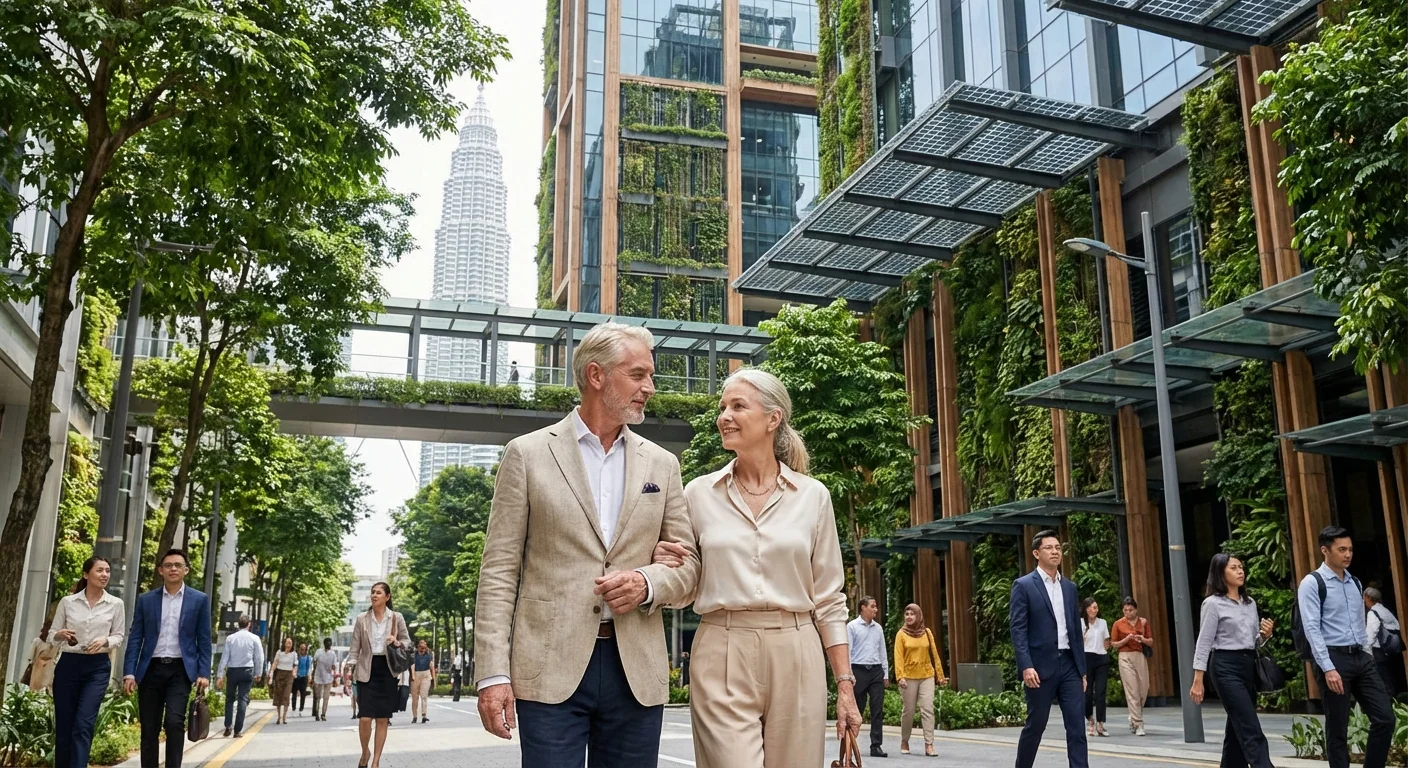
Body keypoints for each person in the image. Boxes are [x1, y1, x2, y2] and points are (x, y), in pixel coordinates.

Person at [473, 322, 701, 767]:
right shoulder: (527, 454)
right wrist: (493, 673)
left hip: (636, 670)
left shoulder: (663, 464)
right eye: (637, 375)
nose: (650, 388)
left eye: (650, 376)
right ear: (596, 375)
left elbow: (688, 568)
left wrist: (647, 582)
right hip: (548, 667)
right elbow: (499, 571)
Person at [651, 367, 863, 768]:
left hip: (797, 649)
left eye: (737, 406)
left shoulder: (813, 496)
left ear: (772, 418)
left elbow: (829, 600)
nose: (724, 416)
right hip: (721, 647)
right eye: (722, 408)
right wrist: (663, 564)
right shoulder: (698, 493)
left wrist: (845, 685)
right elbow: (685, 585)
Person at [1298, 526, 1394, 768]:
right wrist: (1328, 668)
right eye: (1341, 549)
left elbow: (1360, 623)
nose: (1348, 554)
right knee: (1338, 728)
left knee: (1385, 718)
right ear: (1325, 550)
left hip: (1361, 657)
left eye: (1350, 549)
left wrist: (1367, 655)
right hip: (1333, 658)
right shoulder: (1312, 583)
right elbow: (1312, 628)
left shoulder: (1355, 583)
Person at [123, 549, 212, 768]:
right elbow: (135, 638)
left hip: (180, 670)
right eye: (168, 565)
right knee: (149, 728)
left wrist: (203, 673)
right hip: (150, 669)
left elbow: (203, 639)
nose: (173, 569)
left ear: (186, 570)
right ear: (160, 570)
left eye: (178, 565)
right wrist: (129, 672)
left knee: (174, 722)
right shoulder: (146, 600)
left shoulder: (199, 600)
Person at [1190, 553, 1276, 768]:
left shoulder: (1250, 603)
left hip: (1248, 665)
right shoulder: (1212, 604)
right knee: (1249, 725)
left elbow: (1252, 641)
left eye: (1241, 567)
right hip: (1224, 667)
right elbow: (1204, 642)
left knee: (1236, 726)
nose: (1240, 571)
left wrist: (1265, 635)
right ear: (1220, 573)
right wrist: (1198, 679)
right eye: (1234, 568)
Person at [1010, 530, 1087, 768]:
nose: (1055, 552)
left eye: (1058, 548)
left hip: (1070, 665)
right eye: (1049, 548)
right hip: (1040, 668)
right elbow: (1018, 629)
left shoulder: (1069, 588)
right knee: (1036, 725)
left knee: (1077, 727)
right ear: (1036, 553)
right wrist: (1026, 666)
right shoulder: (1024, 586)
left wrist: (1082, 670)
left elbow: (1075, 631)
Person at [50, 556, 125, 768]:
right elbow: (52, 635)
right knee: (64, 725)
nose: (105, 575)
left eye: (107, 571)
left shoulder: (115, 604)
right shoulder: (68, 602)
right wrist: (60, 635)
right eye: (100, 570)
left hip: (97, 668)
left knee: (83, 724)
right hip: (68, 665)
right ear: (86, 574)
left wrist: (105, 640)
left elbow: (119, 636)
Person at [348, 581, 410, 768]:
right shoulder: (362, 619)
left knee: (383, 718)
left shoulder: (396, 617)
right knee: (365, 718)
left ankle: (375, 762)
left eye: (378, 592)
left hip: (387, 670)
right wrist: (350, 668)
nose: (374, 595)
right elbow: (355, 647)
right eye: (373, 592)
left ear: (387, 597)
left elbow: (407, 642)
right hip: (366, 670)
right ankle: (365, 752)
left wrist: (397, 642)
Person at [894, 603, 946, 757]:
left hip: (926, 675)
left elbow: (935, 654)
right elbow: (898, 657)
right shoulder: (901, 634)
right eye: (907, 614)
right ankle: (905, 740)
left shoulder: (926, 632)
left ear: (918, 616)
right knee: (908, 711)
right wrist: (900, 676)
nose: (909, 617)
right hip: (908, 677)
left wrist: (940, 675)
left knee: (927, 709)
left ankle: (929, 744)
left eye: (912, 614)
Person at [849, 597, 890, 758]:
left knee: (877, 710)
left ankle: (876, 745)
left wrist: (885, 674)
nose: (876, 609)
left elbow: (882, 651)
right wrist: (848, 674)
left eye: (876, 606)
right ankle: (851, 743)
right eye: (872, 606)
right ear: (863, 607)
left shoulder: (878, 628)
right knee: (857, 710)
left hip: (876, 671)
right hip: (858, 670)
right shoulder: (852, 626)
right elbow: (848, 651)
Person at [1110, 596, 1152, 735]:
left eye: (1131, 610)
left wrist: (1142, 639)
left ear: (1136, 610)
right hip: (1125, 656)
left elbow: (1151, 641)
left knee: (1143, 688)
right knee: (1132, 690)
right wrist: (1126, 639)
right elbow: (1114, 644)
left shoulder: (1143, 622)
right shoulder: (1118, 624)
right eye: (1125, 610)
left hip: (1139, 655)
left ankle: (1133, 716)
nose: (1128, 612)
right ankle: (1138, 723)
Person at [217, 615, 264, 738]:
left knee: (229, 699)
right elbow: (259, 657)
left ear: (238, 624)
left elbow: (225, 657)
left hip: (232, 671)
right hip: (247, 671)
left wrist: (220, 675)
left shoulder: (230, 638)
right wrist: (258, 673)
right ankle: (237, 731)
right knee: (242, 699)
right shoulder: (254, 638)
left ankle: (228, 726)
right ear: (249, 624)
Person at [1080, 598, 1110, 738]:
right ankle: (1090, 719)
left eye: (1096, 607)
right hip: (1086, 657)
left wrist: (1106, 648)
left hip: (1101, 657)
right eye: (1092, 607)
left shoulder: (1102, 622)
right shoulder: (1081, 623)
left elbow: (1106, 640)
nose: (1095, 610)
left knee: (1101, 692)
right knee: (1087, 692)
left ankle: (1100, 723)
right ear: (1086, 609)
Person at [1364, 587, 1401, 694]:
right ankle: (1396, 697)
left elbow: (1371, 633)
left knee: (1383, 677)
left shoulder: (1373, 612)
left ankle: (1389, 698)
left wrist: (1366, 651)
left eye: (1364, 597)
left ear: (1368, 597)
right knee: (1391, 675)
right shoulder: (1385, 610)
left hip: (1379, 650)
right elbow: (1397, 626)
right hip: (1390, 648)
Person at [27, 620, 59, 693]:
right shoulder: (56, 643)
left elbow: (30, 656)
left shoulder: (37, 641)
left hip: (41, 667)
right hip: (47, 668)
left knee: (37, 690)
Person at [271, 636, 298, 724]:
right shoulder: (279, 652)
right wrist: (271, 672)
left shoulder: (294, 654)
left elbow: (295, 665)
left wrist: (294, 673)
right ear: (284, 643)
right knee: (278, 694)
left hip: (289, 675)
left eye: (290, 643)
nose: (289, 644)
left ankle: (284, 717)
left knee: (286, 695)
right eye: (287, 642)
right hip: (279, 674)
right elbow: (275, 662)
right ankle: (278, 717)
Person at [312, 638, 338, 721]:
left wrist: (334, 675)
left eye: (330, 644)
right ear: (324, 644)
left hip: (328, 678)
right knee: (318, 696)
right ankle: (317, 713)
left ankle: (323, 714)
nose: (329, 645)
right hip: (318, 676)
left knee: (326, 697)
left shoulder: (333, 654)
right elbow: (314, 662)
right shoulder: (319, 652)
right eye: (327, 644)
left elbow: (334, 666)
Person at [411, 639, 435, 723]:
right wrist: (413, 676)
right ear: (418, 647)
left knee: (424, 695)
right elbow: (412, 666)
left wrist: (434, 679)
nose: (422, 649)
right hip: (416, 675)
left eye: (424, 648)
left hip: (426, 675)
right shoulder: (414, 655)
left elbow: (432, 667)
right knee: (415, 697)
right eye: (421, 648)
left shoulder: (429, 655)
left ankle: (424, 715)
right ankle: (414, 716)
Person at [293, 642, 312, 716]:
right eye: (301, 649)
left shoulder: (308, 658)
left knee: (303, 694)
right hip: (296, 677)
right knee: (294, 693)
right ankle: (294, 708)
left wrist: (309, 677)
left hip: (304, 677)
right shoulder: (296, 657)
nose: (302, 651)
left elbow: (309, 667)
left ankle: (301, 709)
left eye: (304, 649)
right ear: (299, 649)